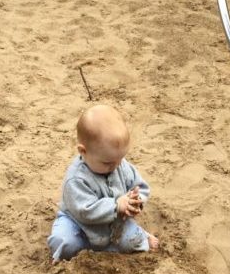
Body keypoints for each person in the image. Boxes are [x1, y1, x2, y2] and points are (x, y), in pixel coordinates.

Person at [47, 104, 159, 262]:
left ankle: (132, 239)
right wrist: (116, 206)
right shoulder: (76, 178)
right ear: (83, 152)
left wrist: (135, 201)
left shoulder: (119, 164)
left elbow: (140, 186)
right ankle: (94, 249)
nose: (117, 166)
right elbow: (85, 211)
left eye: (121, 159)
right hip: (79, 224)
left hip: (113, 224)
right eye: (108, 163)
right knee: (64, 242)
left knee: (132, 241)